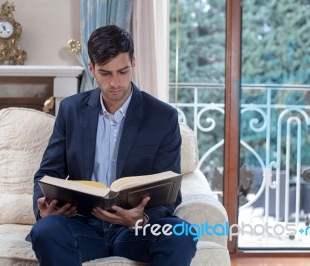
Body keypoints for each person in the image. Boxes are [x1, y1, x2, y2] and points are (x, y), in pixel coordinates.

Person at [29, 25, 197, 266]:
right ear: (92, 69)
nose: (115, 82)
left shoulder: (163, 117)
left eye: (123, 71)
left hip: (134, 229)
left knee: (182, 234)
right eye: (105, 73)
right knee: (45, 230)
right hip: (82, 223)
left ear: (134, 63)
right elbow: (47, 173)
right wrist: (44, 210)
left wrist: (142, 217)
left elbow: (170, 192)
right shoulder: (71, 110)